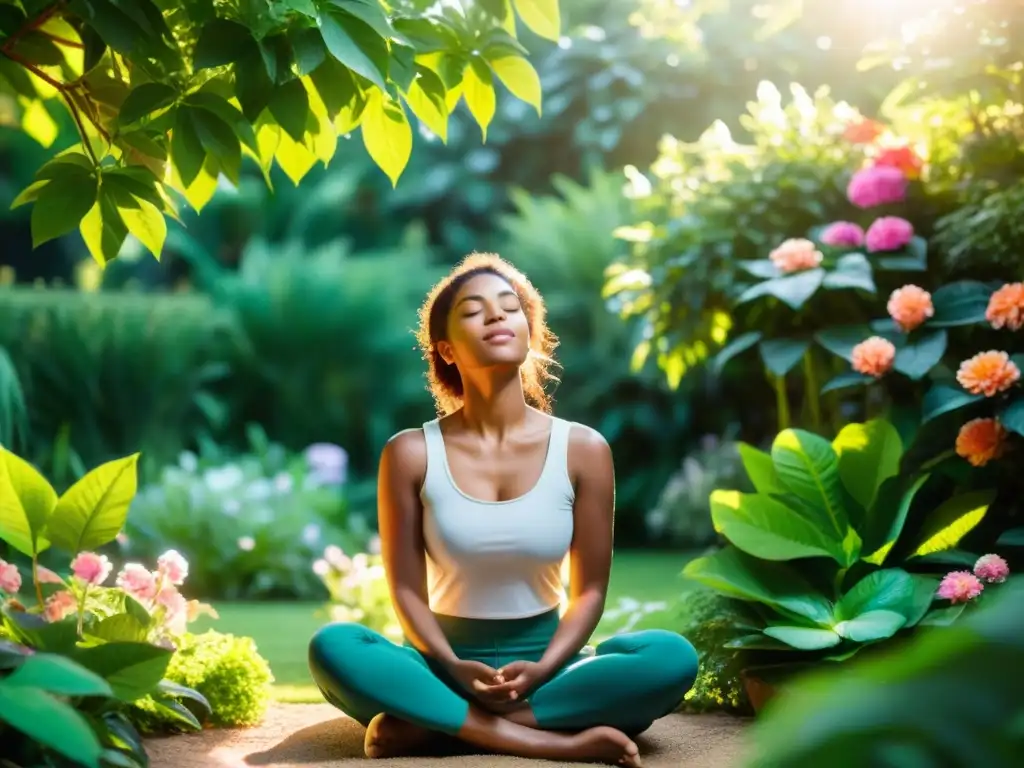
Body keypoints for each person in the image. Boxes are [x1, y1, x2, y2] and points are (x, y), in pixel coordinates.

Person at [308, 254, 698, 766]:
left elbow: (590, 592)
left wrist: (545, 668)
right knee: (335, 646)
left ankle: (438, 726)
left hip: (548, 672)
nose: (496, 316)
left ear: (528, 332)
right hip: (438, 666)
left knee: (671, 658)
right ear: (445, 349)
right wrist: (447, 662)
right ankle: (550, 737)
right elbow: (405, 589)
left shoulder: (584, 450)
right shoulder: (409, 453)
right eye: (474, 311)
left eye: (509, 307)